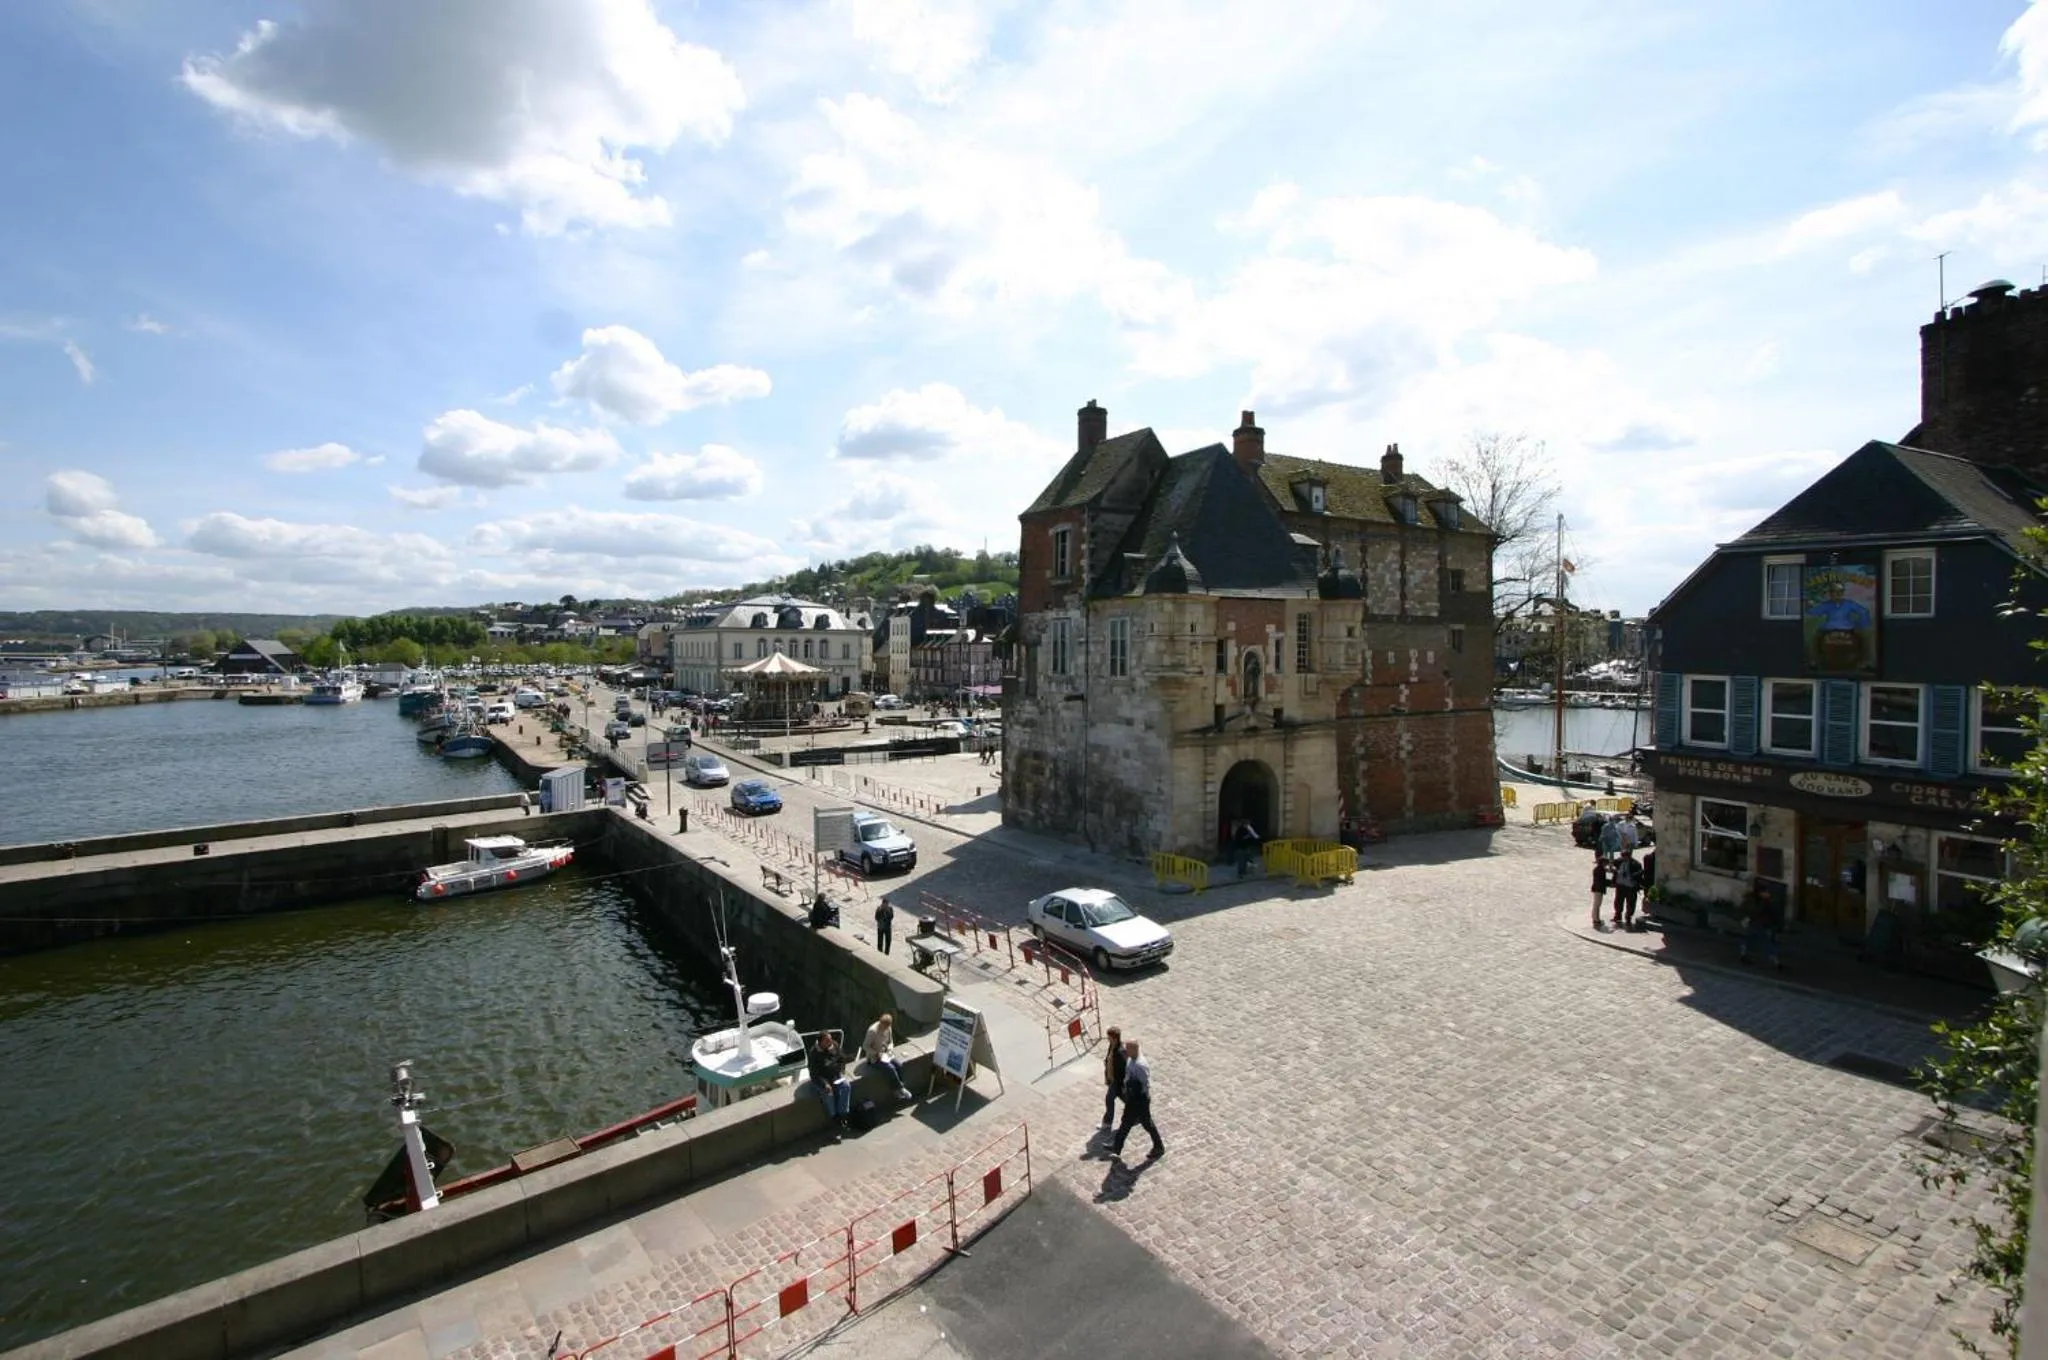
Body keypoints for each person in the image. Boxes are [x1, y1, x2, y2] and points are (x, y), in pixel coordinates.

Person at [1110, 1039, 1164, 1161]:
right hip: (1132, 1098)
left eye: (1128, 1048)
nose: (1125, 1050)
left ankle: (1159, 1147)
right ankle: (1116, 1149)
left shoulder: (1140, 1065)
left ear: (1134, 1049)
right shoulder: (1131, 1059)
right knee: (1127, 1123)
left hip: (1139, 1099)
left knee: (1145, 1123)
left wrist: (1136, 1096)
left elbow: (1145, 1083)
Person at [808, 1030, 854, 1140]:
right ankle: (834, 1119)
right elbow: (814, 1074)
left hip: (835, 1076)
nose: (830, 1042)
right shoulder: (814, 1053)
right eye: (827, 1041)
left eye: (830, 1039)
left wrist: (841, 1068)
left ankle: (842, 1114)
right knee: (829, 1095)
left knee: (846, 1086)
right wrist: (825, 1084)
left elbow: (841, 1058)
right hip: (822, 1079)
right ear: (821, 1042)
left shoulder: (834, 1045)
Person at [862, 1013, 913, 1101]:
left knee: (899, 1065)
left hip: (886, 1054)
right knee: (891, 1069)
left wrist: (889, 1049)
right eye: (884, 1027)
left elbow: (890, 1042)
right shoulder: (872, 1031)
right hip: (874, 1058)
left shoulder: (888, 1028)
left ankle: (898, 1089)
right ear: (881, 1023)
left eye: (887, 1027)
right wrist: (876, 1053)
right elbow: (865, 1046)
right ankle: (901, 1089)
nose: (885, 1029)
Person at [1739, 881, 1783, 970]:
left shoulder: (1764, 902)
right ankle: (1775, 961)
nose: (1768, 894)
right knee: (1766, 942)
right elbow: (1757, 912)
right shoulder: (1762, 902)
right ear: (1761, 893)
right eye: (1766, 892)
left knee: (1751, 939)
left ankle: (1743, 953)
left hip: (1759, 924)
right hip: (1759, 924)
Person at [1101, 1025, 1127, 1129]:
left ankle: (1107, 1123)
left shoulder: (1120, 1052)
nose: (1108, 1039)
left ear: (1114, 1038)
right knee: (1123, 1097)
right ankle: (1137, 1111)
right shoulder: (1112, 1046)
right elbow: (1109, 1057)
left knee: (1109, 1099)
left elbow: (1123, 1069)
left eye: (1109, 1038)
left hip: (1117, 1081)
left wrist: (1116, 1082)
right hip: (1112, 1079)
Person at [1613, 849, 1643, 930]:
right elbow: (1613, 865)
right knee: (1618, 901)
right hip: (1620, 885)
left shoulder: (1635, 864)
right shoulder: (1619, 861)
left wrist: (1633, 876)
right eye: (1622, 856)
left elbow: (1640, 873)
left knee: (1631, 903)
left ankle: (1628, 917)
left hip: (1630, 886)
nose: (1623, 858)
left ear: (1629, 856)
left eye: (1625, 856)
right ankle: (1618, 915)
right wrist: (1615, 871)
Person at [1589, 854, 1611, 930]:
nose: (1606, 865)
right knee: (1597, 904)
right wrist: (1611, 883)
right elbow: (1602, 881)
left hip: (1597, 888)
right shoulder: (1600, 870)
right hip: (1599, 889)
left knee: (1596, 904)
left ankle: (1595, 917)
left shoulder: (1598, 869)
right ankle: (1596, 919)